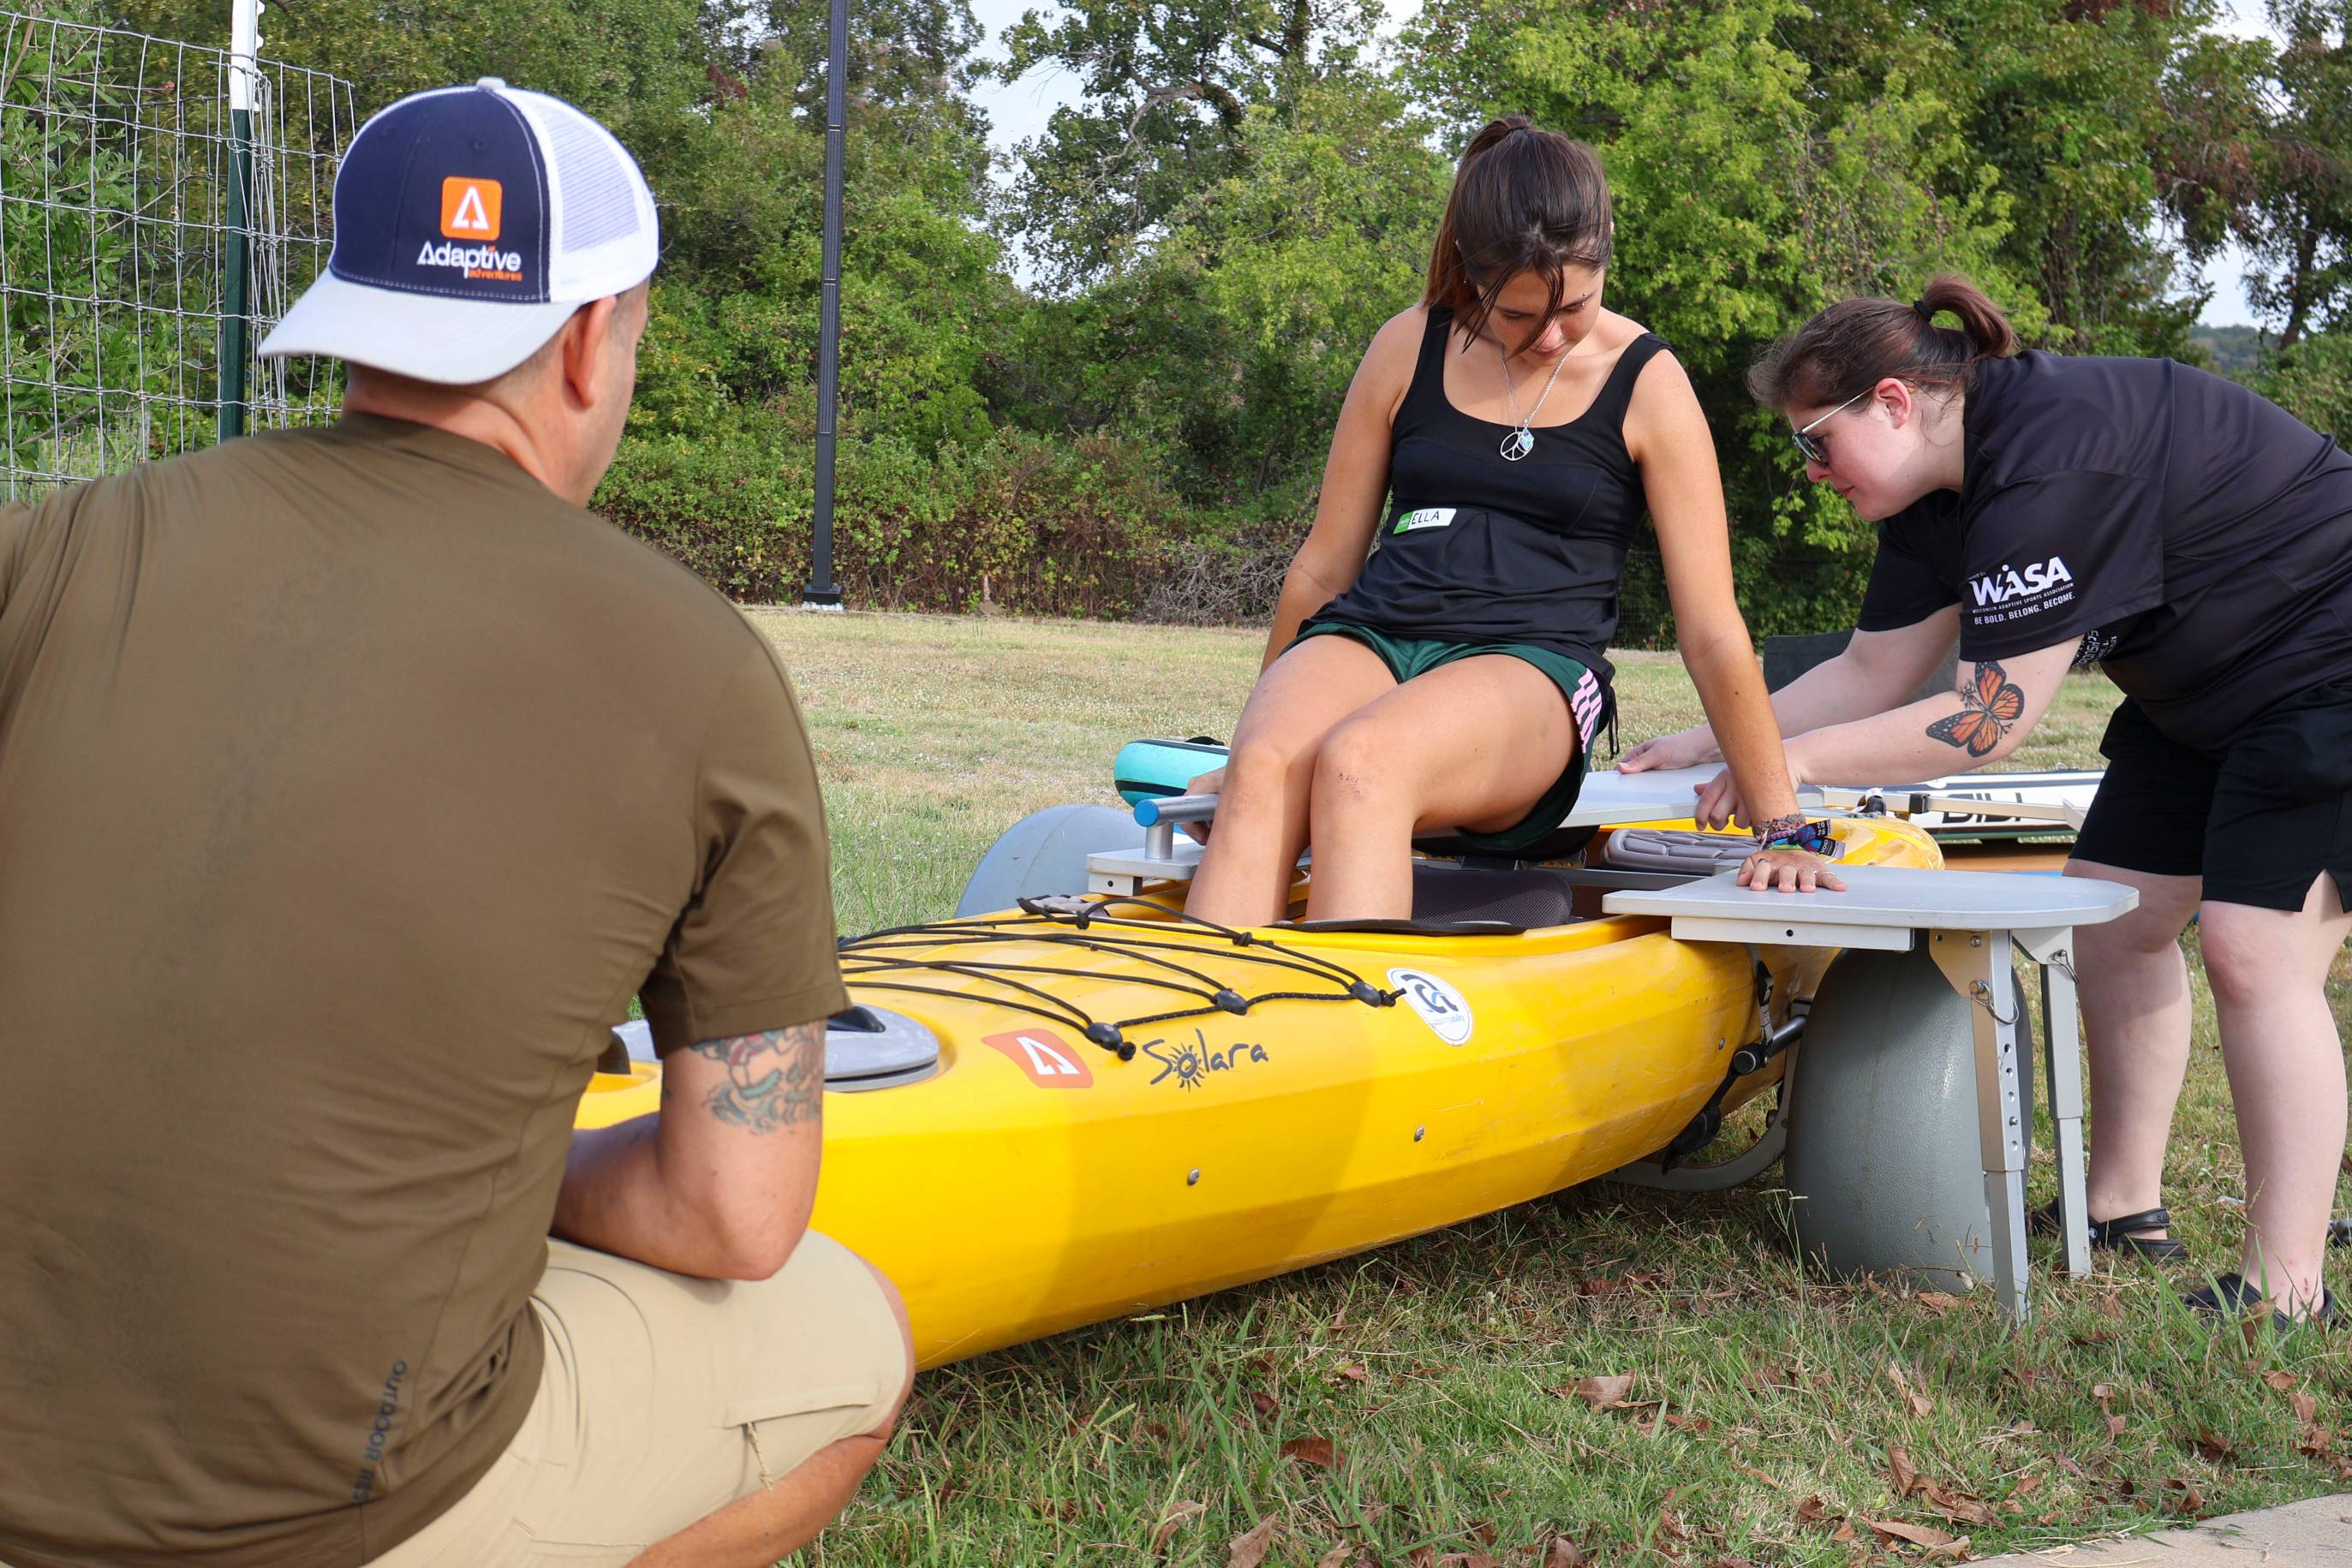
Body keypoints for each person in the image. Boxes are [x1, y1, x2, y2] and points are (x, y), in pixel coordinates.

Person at [0, 81, 910, 1567]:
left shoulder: (65, 539)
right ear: (581, 343)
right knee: (849, 1338)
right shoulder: (702, 670)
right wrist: (470, 1186)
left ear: (351, 310)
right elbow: (736, 1212)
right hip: (315, 1507)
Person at [1623, 273, 2350, 1329]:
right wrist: (1714, 738)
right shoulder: (1934, 495)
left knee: (2253, 947)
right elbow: (1873, 672)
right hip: (2197, 686)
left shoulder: (2045, 457)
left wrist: (1789, 773)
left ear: (1891, 401)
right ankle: (2118, 1212)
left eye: (1812, 442)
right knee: (2113, 920)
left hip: (2325, 666)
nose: (1811, 472)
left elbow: (1985, 721)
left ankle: (2286, 1289)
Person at [1180, 116, 1840, 928]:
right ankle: (1212, 1048)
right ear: (1472, 272)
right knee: (1266, 767)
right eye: (1520, 315)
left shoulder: (1649, 383)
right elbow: (1322, 570)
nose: (1551, 334)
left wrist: (1785, 825)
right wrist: (1249, 752)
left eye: (1575, 306)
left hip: (1531, 666)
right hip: (1374, 632)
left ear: (1605, 254)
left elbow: (1709, 625)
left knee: (1362, 762)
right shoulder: (1406, 345)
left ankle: (1361, 1041)